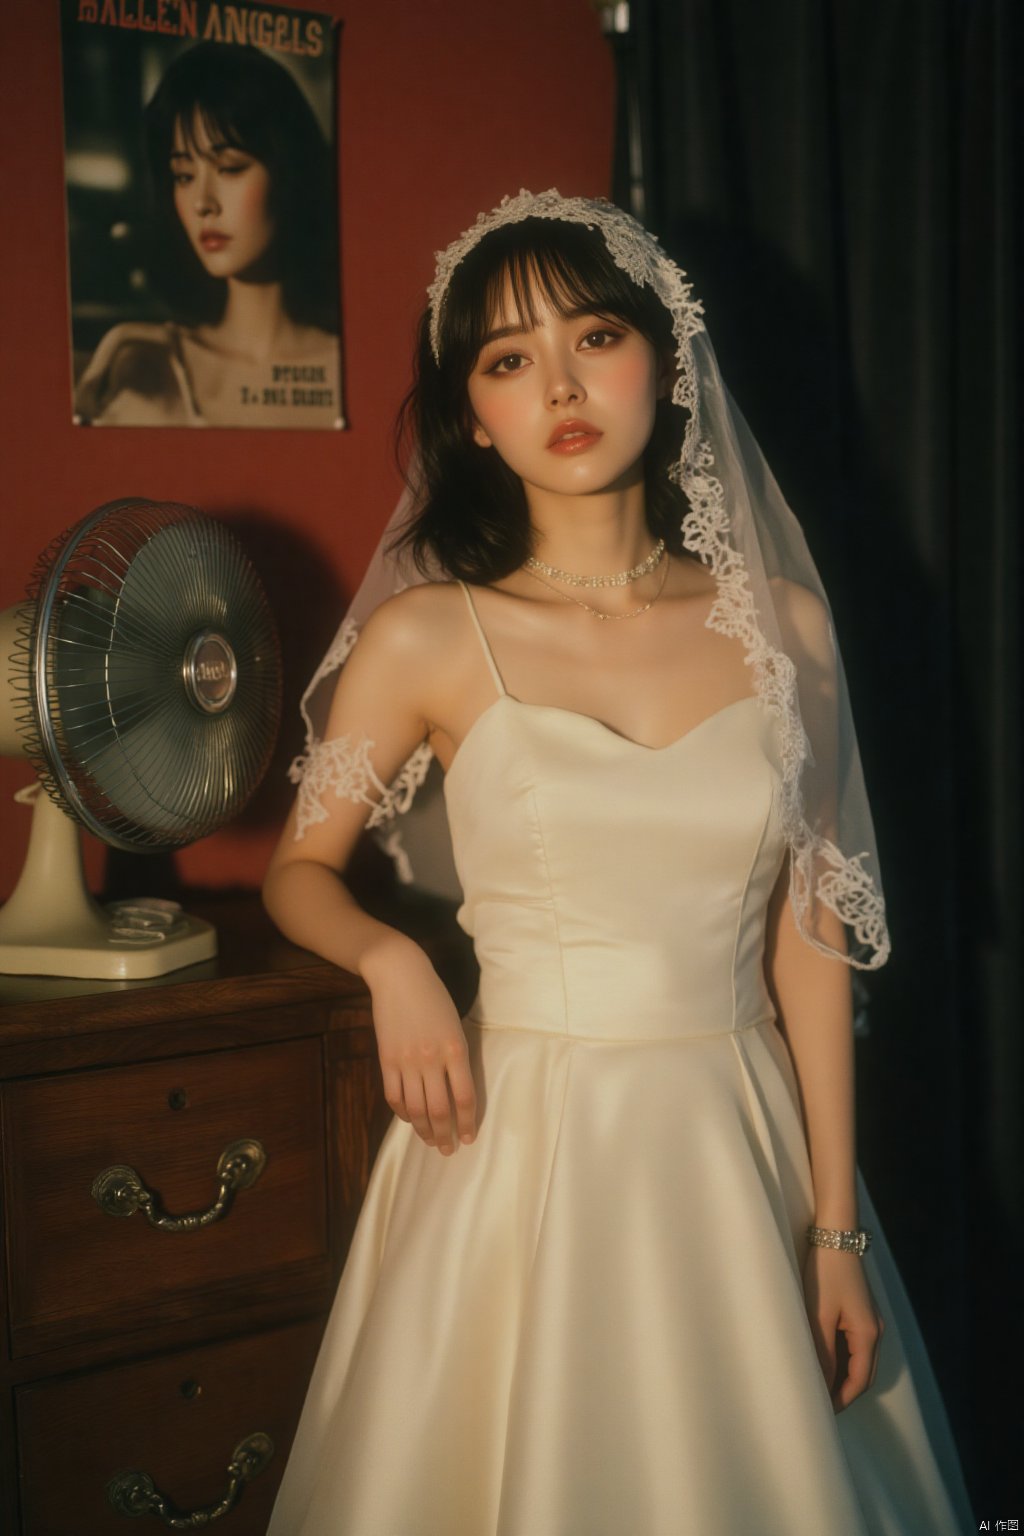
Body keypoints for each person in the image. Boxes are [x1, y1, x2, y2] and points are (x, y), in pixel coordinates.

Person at [262, 191, 973, 1533]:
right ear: (474, 415)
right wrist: (390, 958)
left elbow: (809, 946)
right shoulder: (427, 635)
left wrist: (835, 1232)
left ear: (666, 358)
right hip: (520, 1148)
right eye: (509, 359)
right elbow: (297, 873)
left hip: (735, 1143)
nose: (562, 385)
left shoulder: (790, 630)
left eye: (594, 336)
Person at [73, 42, 341, 429]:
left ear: (288, 172)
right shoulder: (141, 358)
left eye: (230, 168)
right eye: (183, 176)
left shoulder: (345, 364)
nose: (202, 203)